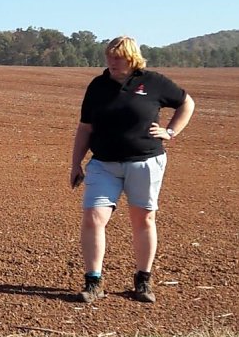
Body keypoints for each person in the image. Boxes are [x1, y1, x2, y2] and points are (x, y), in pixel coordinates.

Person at [70, 35, 195, 304]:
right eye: (109, 56)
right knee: (93, 217)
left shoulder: (153, 82)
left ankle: (143, 280)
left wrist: (170, 131)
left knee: (144, 219)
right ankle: (93, 282)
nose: (112, 62)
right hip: (104, 164)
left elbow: (187, 103)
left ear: (132, 58)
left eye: (118, 57)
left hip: (145, 162)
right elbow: (85, 128)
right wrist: (75, 163)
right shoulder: (98, 86)